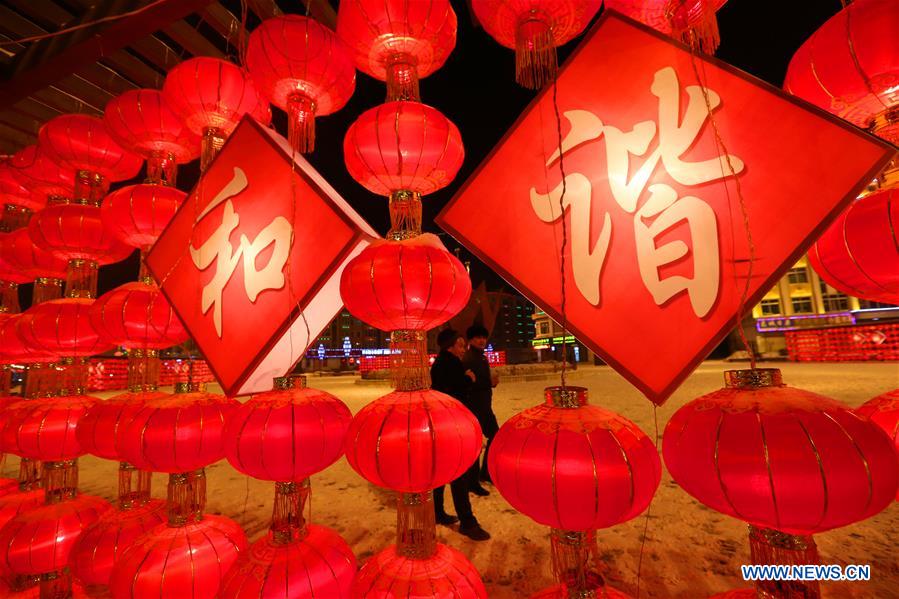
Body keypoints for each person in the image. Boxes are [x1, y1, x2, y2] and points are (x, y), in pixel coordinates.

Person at [430, 328, 490, 541]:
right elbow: (454, 393)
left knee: (442, 471)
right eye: (460, 345)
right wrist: (468, 379)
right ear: (450, 347)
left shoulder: (441, 363)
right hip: (451, 423)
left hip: (442, 423)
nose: (463, 349)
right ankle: (468, 522)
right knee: (458, 472)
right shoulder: (451, 364)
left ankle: (437, 512)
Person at [463, 323, 500, 494]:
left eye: (484, 337)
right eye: (478, 337)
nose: (482, 340)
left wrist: (490, 383)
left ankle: (485, 473)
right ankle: (474, 480)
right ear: (470, 340)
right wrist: (489, 383)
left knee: (494, 437)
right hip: (475, 407)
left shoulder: (480, 357)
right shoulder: (470, 358)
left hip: (484, 406)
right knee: (477, 444)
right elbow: (469, 384)